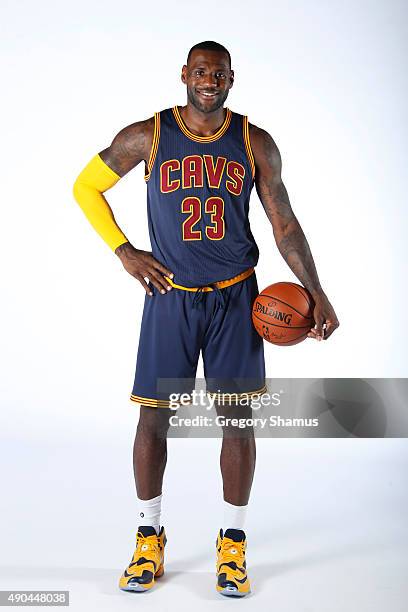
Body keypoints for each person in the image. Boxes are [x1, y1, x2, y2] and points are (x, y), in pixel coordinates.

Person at [72, 40, 339, 597]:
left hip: (237, 299)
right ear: (184, 75)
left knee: (237, 423)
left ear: (231, 79)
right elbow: (85, 187)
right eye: (200, 72)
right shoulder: (146, 135)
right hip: (170, 295)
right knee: (153, 419)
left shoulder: (253, 142)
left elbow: (284, 225)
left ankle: (233, 545)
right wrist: (124, 250)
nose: (208, 81)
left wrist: (317, 293)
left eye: (218, 74)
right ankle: (149, 538)